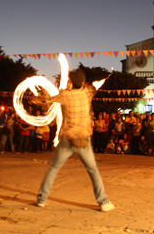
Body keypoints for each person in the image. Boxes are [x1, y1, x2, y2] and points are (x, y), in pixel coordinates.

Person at [35, 68, 114, 211]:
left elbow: (46, 100)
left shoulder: (64, 95)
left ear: (70, 81)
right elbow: (94, 87)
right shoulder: (87, 93)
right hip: (83, 139)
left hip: (67, 139)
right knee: (93, 171)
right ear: (83, 81)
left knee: (53, 168)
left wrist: (39, 94)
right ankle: (103, 202)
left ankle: (42, 199)